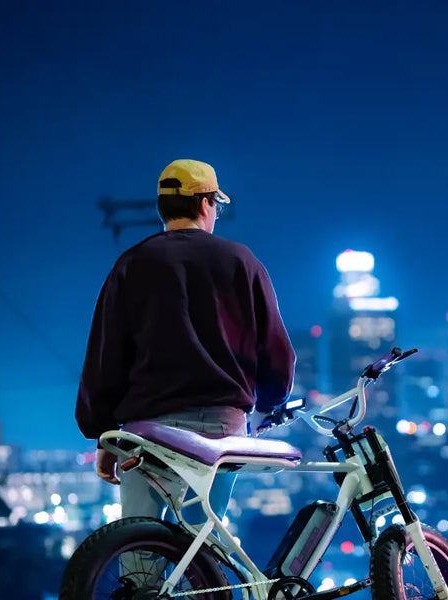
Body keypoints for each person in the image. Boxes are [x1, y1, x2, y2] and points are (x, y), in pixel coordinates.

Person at [75, 158, 296, 523]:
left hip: (147, 430)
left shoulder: (133, 264)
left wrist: (103, 433)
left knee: (140, 548)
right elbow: (277, 352)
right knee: (203, 548)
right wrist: (271, 402)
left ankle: (145, 578)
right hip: (220, 431)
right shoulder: (242, 262)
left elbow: (106, 357)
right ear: (205, 203)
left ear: (163, 208)